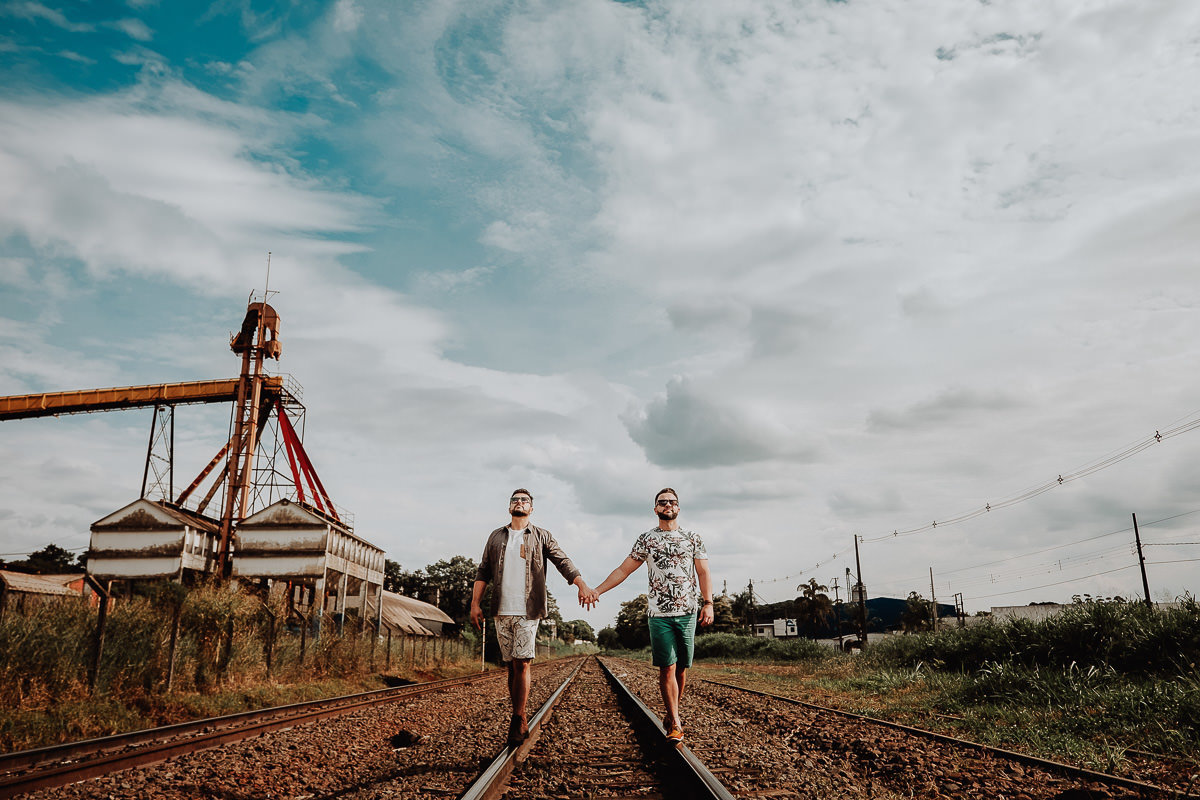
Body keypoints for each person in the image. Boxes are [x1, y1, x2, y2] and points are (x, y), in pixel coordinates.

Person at [470, 488, 596, 746]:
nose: (519, 503)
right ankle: (519, 713)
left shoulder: (542, 536)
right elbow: (483, 571)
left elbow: (563, 561)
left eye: (524, 500)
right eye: (515, 500)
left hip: (528, 609)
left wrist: (581, 584)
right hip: (501, 610)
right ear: (509, 507)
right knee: (511, 665)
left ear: (531, 508)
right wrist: (474, 603)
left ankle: (518, 717)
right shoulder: (495, 537)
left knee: (523, 662)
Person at [587, 488, 712, 743]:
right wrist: (598, 590)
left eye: (672, 502)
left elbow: (703, 572)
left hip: (688, 611)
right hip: (659, 613)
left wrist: (708, 603)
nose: (668, 505)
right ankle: (675, 721)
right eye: (662, 502)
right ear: (655, 509)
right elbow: (624, 570)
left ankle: (672, 712)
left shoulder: (693, 537)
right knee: (667, 667)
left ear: (678, 507)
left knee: (682, 669)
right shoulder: (647, 539)